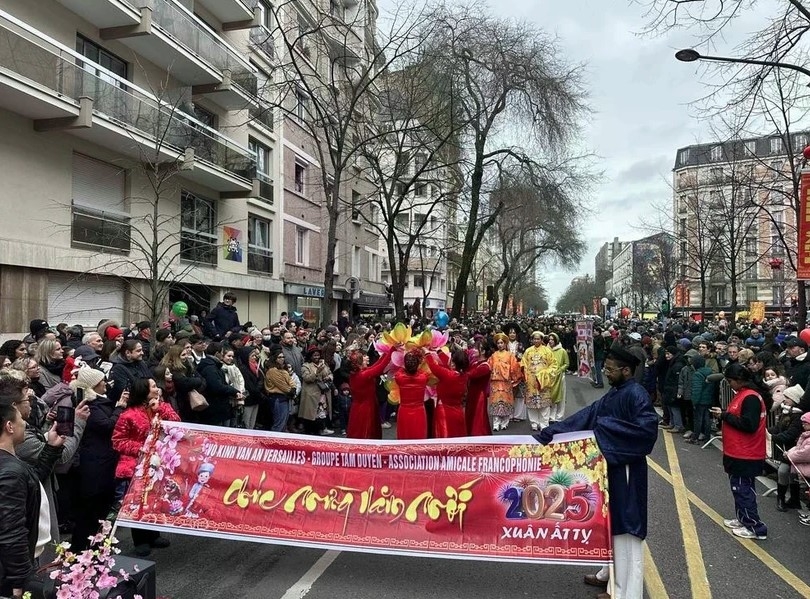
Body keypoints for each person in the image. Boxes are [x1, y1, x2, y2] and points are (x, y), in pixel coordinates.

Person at [535, 346, 659, 599]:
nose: (606, 373)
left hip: (626, 470)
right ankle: (610, 577)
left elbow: (646, 433)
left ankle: (627, 594)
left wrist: (605, 428)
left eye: (610, 370)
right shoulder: (616, 392)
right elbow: (587, 415)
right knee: (610, 522)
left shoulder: (637, 395)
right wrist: (549, 434)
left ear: (626, 371)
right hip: (611, 469)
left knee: (627, 530)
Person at [0, 393, 65, 599]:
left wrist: (51, 449)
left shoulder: (12, 464)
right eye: (21, 421)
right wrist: (19, 578)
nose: (25, 425)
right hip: (13, 568)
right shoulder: (10, 471)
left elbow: (32, 481)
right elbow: (11, 529)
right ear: (9, 427)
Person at [111, 377, 179, 556]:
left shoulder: (158, 409)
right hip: (136, 464)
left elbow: (177, 423)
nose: (157, 389)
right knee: (138, 501)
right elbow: (118, 441)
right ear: (144, 391)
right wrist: (140, 448)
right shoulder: (128, 415)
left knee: (154, 499)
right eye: (154, 386)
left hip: (159, 463)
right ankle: (140, 539)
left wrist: (162, 407)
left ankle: (153, 534)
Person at [69, 366, 127, 552]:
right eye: (102, 381)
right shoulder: (89, 405)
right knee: (90, 511)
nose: (105, 383)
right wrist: (119, 409)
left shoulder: (100, 402)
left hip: (104, 462)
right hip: (94, 466)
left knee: (101, 508)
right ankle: (81, 548)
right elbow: (107, 425)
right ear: (93, 385)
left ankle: (96, 546)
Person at [712, 363, 768, 540]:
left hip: (746, 452)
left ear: (739, 380)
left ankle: (755, 527)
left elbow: (748, 425)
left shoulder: (750, 397)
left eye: (730, 381)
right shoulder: (743, 395)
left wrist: (724, 415)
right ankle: (743, 518)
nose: (729, 385)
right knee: (738, 488)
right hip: (737, 451)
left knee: (743, 489)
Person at [346, 349, 392, 439]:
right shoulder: (364, 375)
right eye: (363, 357)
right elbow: (381, 367)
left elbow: (376, 365)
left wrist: (386, 352)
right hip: (366, 407)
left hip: (358, 406)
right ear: (359, 363)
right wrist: (391, 351)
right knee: (366, 432)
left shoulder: (356, 374)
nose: (366, 358)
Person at [196, 342, 242, 427]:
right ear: (217, 353)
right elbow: (216, 386)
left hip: (219, 407)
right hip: (214, 408)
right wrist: (233, 391)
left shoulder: (214, 366)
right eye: (222, 353)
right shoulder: (210, 368)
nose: (222, 355)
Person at [426, 349, 469, 438]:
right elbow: (447, 363)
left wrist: (427, 353)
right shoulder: (464, 376)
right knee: (457, 435)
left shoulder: (448, 375)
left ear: (454, 363)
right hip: (458, 411)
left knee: (444, 435)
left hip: (444, 410)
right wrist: (438, 351)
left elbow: (433, 366)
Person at [520, 332, 555, 432]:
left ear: (542, 340)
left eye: (538, 339)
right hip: (531, 380)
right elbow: (523, 363)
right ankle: (534, 423)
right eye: (534, 339)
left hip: (543, 381)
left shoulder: (547, 351)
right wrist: (525, 371)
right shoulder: (528, 351)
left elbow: (553, 365)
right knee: (532, 404)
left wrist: (545, 373)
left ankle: (544, 423)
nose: (536, 341)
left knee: (544, 403)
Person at [487, 333, 522, 431]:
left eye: (502, 343)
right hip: (496, 382)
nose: (500, 345)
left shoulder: (510, 356)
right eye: (498, 343)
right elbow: (489, 367)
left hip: (506, 382)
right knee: (496, 402)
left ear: (505, 344)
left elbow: (515, 368)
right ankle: (496, 423)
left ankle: (505, 423)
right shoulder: (493, 355)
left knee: (506, 402)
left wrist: (513, 378)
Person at [394, 351, 429, 440]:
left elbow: (400, 370)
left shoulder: (399, 378)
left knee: (404, 437)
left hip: (404, 411)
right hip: (419, 411)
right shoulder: (423, 378)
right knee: (419, 436)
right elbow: (422, 371)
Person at [300, 347, 334, 435]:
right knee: (312, 414)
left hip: (323, 393)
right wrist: (317, 372)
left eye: (318, 355)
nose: (317, 357)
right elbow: (307, 378)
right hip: (312, 394)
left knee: (323, 411)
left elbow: (330, 373)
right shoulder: (306, 366)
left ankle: (323, 428)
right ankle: (311, 431)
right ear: (310, 356)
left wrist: (329, 377)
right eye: (314, 355)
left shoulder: (324, 364)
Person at [263, 350, 296, 433]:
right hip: (277, 398)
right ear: (274, 358)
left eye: (283, 357)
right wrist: (291, 390)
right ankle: (273, 444)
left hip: (285, 398)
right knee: (278, 424)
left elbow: (292, 383)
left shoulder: (283, 371)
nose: (282, 359)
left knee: (283, 424)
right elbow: (283, 385)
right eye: (279, 357)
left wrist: (293, 389)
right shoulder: (272, 371)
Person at [465, 348, 492, 436]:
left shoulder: (485, 366)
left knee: (478, 416)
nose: (474, 350)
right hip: (472, 393)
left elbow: (471, 374)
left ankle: (478, 435)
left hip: (479, 394)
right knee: (470, 413)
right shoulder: (475, 363)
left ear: (483, 351)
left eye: (477, 349)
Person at [547, 332, 570, 423]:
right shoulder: (546, 350)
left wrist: (560, 370)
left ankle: (559, 416)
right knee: (550, 396)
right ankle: (551, 416)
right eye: (549, 339)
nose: (550, 341)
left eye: (552, 339)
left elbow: (566, 364)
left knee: (561, 396)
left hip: (560, 377)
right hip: (549, 376)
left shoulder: (562, 351)